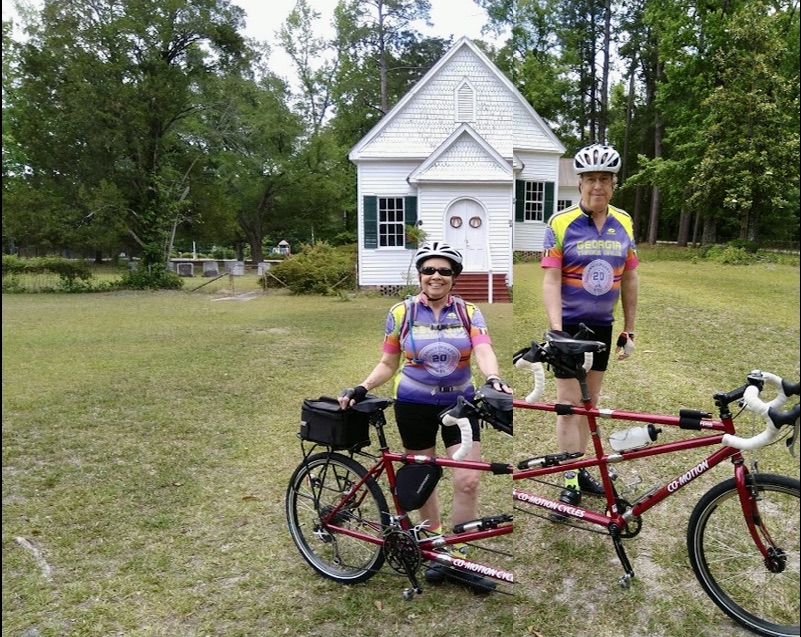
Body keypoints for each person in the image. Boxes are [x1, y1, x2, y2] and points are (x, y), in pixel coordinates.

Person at [338, 241, 512, 593]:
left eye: (444, 271)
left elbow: (483, 349)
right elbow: (389, 362)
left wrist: (493, 378)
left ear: (454, 277)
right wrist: (363, 386)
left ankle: (459, 555)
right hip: (413, 404)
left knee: (468, 481)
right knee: (424, 478)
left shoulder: (469, 312)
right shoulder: (401, 313)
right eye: (429, 270)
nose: (436, 276)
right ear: (419, 274)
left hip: (460, 405)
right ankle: (435, 550)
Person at [540, 143, 639, 515]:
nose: (597, 186)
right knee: (568, 407)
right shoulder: (559, 223)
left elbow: (630, 277)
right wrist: (556, 330)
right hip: (569, 325)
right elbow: (550, 281)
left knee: (590, 406)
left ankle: (579, 471)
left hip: (602, 325)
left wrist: (629, 328)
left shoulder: (625, 222)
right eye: (590, 179)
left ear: (614, 184)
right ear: (579, 183)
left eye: (605, 179)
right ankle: (569, 481)